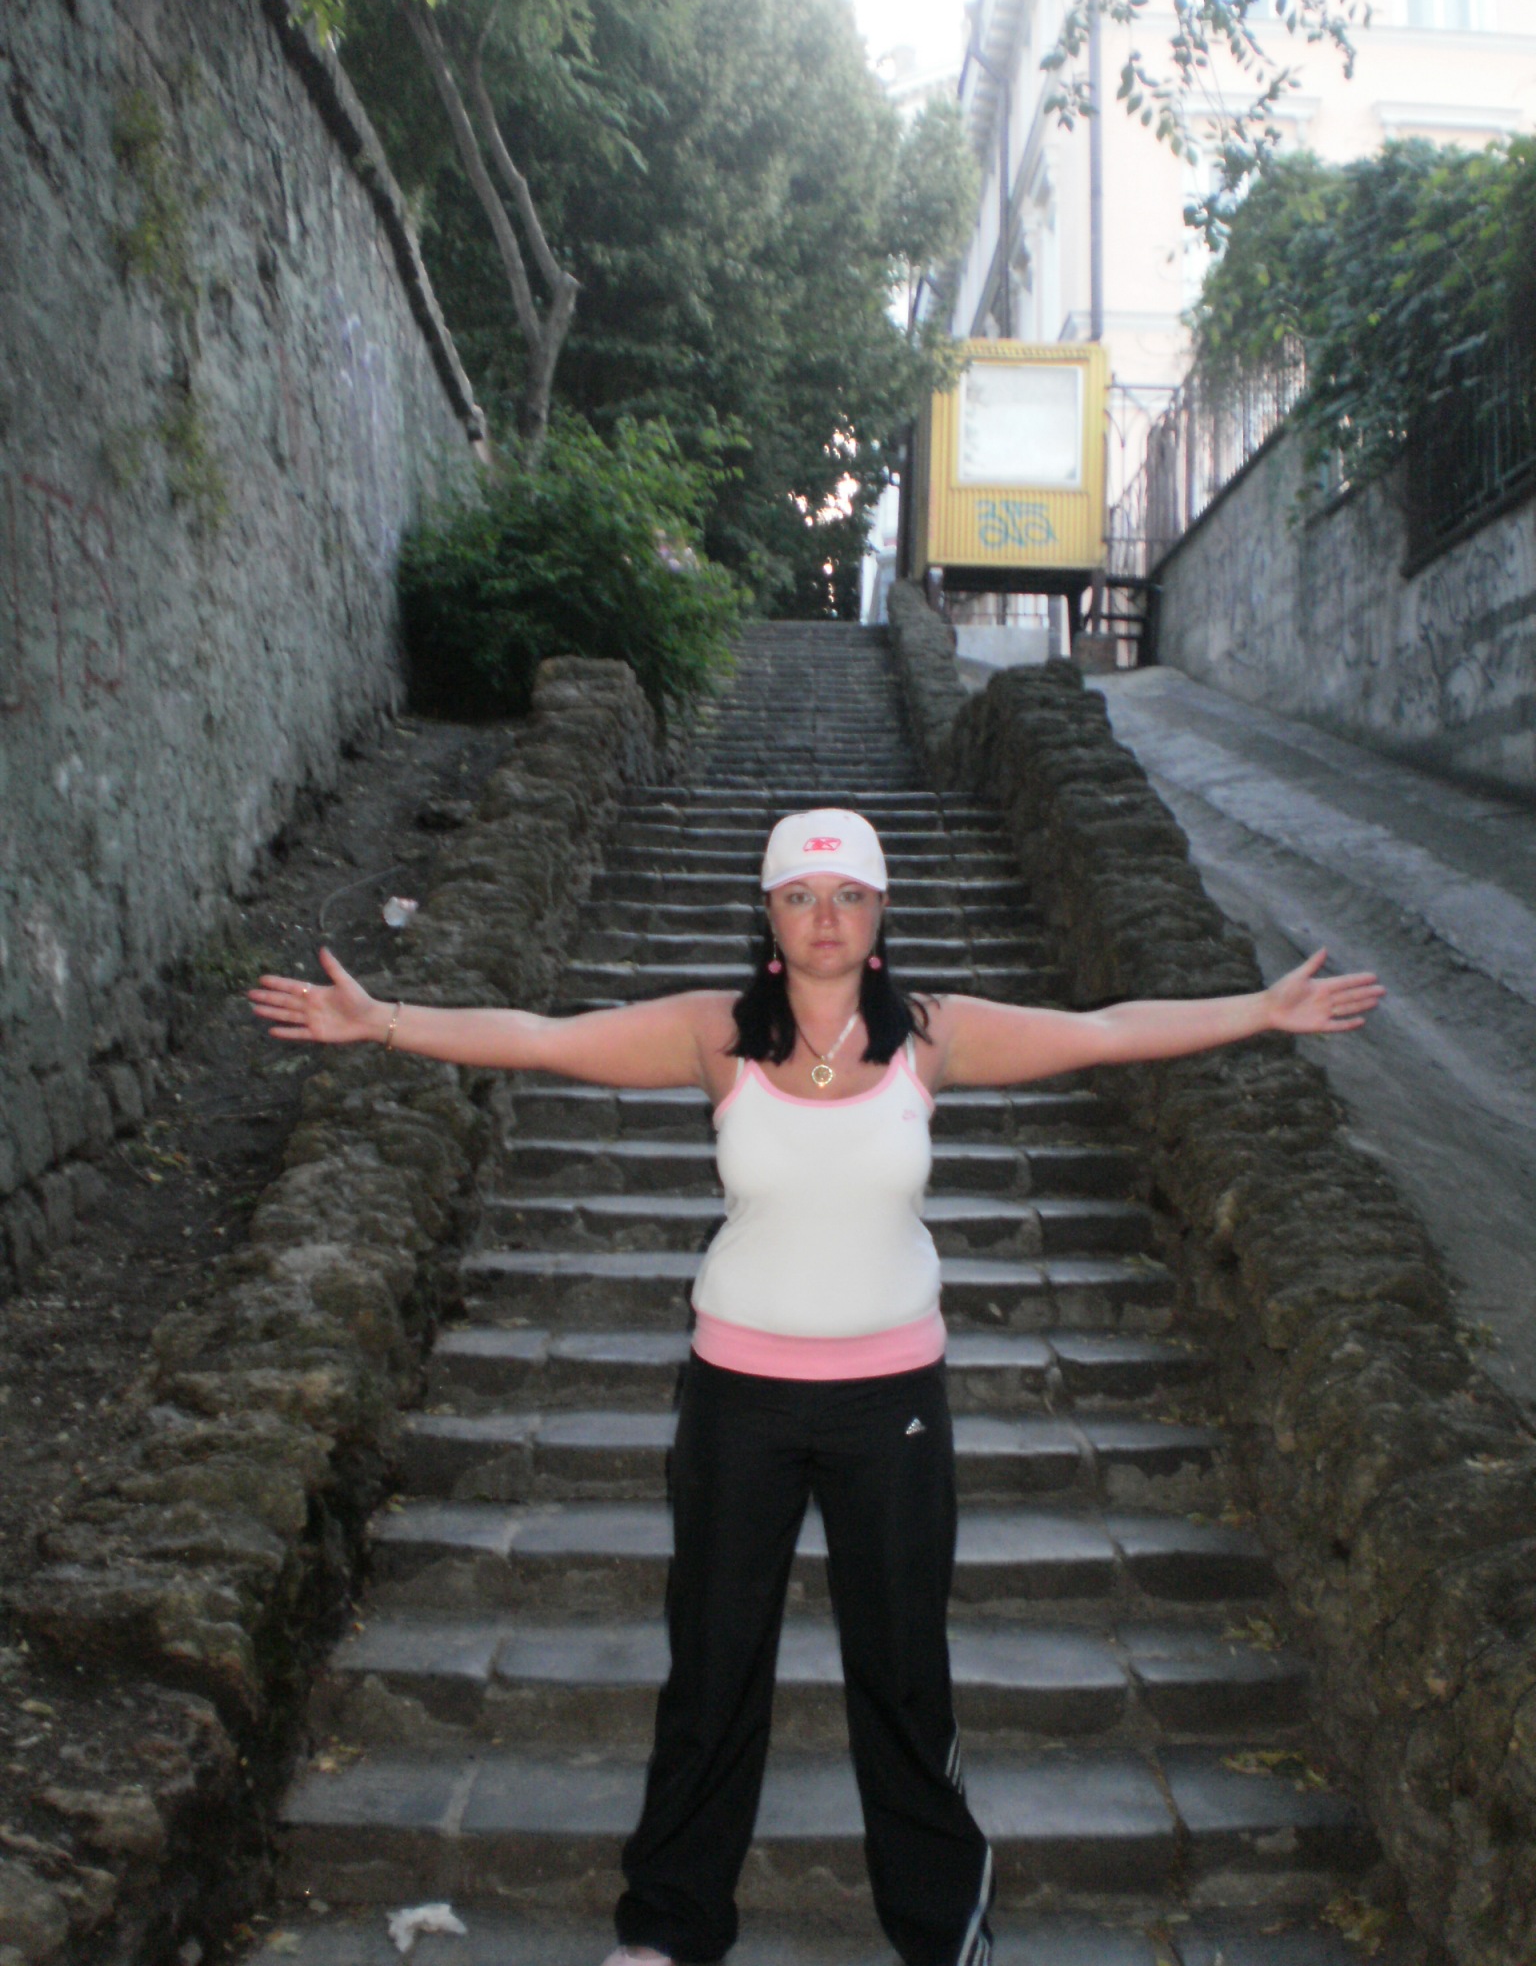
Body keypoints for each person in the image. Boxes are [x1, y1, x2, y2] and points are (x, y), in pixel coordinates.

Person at [249, 807, 1383, 1966]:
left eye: (847, 895)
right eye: (800, 894)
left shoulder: (932, 1035)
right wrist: (384, 1021)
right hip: (738, 1400)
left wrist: (1260, 1008)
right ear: (770, 912)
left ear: (881, 910)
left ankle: (941, 1930)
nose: (825, 917)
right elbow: (542, 1037)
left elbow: (1104, 1030)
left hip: (891, 1405)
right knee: (713, 1669)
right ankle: (669, 1929)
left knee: (904, 1678)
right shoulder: (716, 1034)